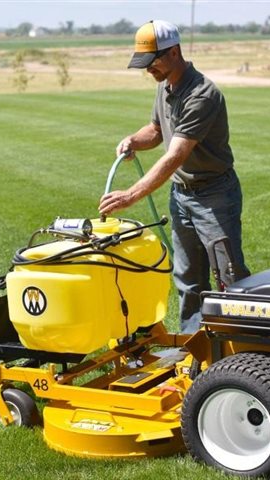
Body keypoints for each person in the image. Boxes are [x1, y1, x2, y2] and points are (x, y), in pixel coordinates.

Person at [98, 20, 250, 334]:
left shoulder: (202, 95)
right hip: (182, 196)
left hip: (214, 198)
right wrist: (134, 140)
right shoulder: (165, 86)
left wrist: (130, 196)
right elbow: (156, 131)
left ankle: (242, 343)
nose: (148, 70)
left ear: (174, 52)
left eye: (152, 62)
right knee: (189, 278)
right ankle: (195, 345)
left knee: (230, 277)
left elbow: (175, 155)